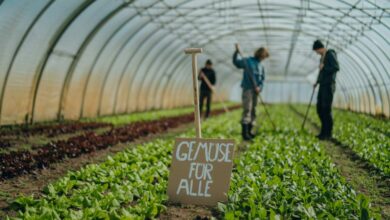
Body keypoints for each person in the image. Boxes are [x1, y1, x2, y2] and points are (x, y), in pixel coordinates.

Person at [233, 44, 269, 141]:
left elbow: (262, 80)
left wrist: (259, 87)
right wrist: (236, 52)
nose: (264, 58)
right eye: (263, 56)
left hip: (256, 91)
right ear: (260, 54)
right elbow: (236, 63)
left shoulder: (261, 66)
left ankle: (250, 131)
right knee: (247, 109)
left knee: (254, 109)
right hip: (248, 89)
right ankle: (244, 133)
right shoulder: (247, 61)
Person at [312, 40, 340, 140]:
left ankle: (328, 133)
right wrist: (317, 82)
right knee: (320, 108)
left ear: (320, 48)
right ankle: (323, 132)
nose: (317, 53)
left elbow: (336, 67)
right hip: (322, 85)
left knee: (326, 109)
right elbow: (321, 73)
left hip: (328, 86)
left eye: (316, 50)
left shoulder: (330, 54)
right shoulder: (322, 58)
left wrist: (324, 67)